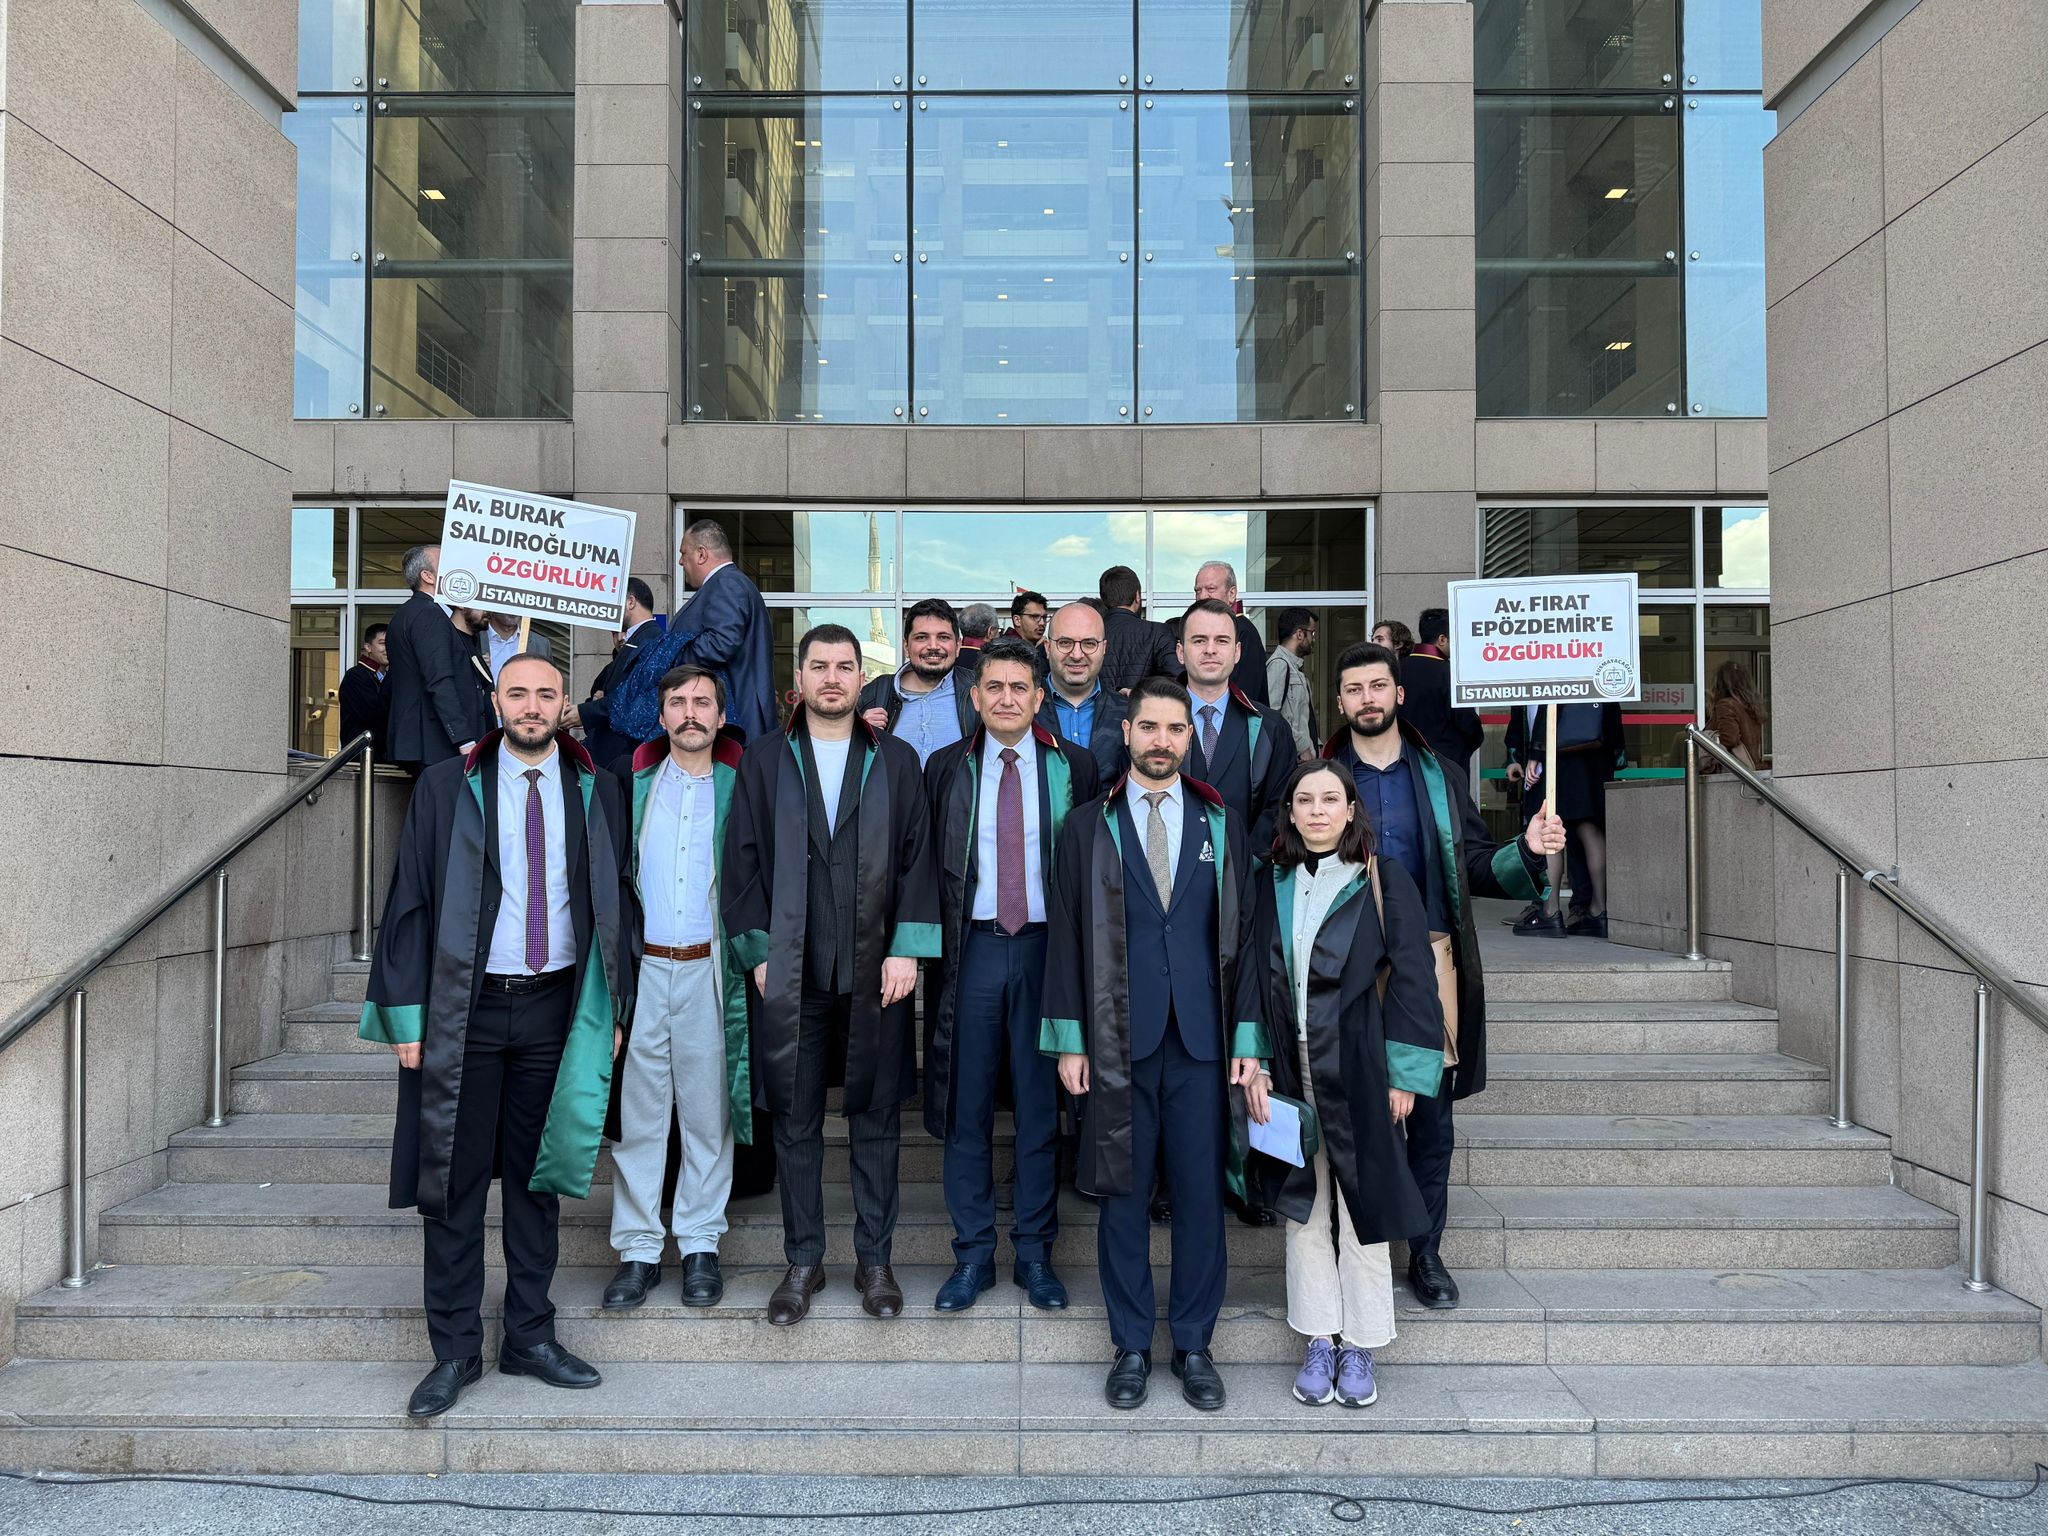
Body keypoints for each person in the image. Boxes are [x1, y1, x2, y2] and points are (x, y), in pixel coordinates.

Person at [357, 653, 635, 1418]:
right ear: (497, 703)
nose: (532, 705)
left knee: (538, 1181)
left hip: (557, 1008)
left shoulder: (597, 787)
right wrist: (406, 1013)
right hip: (464, 1010)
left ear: (565, 703)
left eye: (546, 693)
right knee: (451, 1184)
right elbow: (410, 897)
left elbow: (618, 902)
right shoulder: (448, 786)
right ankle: (453, 1350)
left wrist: (613, 1009)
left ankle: (529, 1336)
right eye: (518, 693)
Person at [1040, 676, 1269, 1412]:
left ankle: (1195, 1344)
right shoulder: (1087, 825)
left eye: (1175, 729)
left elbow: (1247, 938)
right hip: (1116, 1041)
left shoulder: (1221, 821)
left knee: (1201, 1200)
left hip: (1203, 1045)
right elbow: (1066, 937)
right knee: (1123, 1198)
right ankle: (1132, 1345)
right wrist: (1070, 1040)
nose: (1162, 741)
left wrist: (1249, 1039)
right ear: (1128, 732)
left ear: (1188, 738)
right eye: (1149, 728)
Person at [1322, 642, 1564, 1311]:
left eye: (1378, 686)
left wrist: (1526, 850)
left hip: (1429, 963)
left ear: (1399, 695)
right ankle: (1357, 1249)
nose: (1367, 699)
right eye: (1354, 689)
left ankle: (1425, 1253)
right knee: (1357, 1113)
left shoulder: (1440, 775)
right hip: (1343, 966)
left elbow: (1478, 865)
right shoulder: (1321, 777)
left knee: (1431, 1117)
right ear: (1340, 702)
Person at [722, 624, 942, 1326]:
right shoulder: (765, 760)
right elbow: (741, 859)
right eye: (819, 666)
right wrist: (759, 952)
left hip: (877, 969)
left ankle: (875, 1261)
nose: (832, 678)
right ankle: (804, 1260)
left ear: (859, 677)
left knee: (876, 1119)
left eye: (845, 667)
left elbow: (917, 858)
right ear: (800, 678)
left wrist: (907, 948)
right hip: (793, 970)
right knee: (795, 1119)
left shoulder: (895, 760)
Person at [1238, 761, 1445, 1410]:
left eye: (1331, 799)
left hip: (1360, 1066)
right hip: (1289, 1066)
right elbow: (1250, 977)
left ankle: (1360, 1343)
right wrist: (1254, 1060)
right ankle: (1319, 1338)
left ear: (1351, 810)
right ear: (1290, 813)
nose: (1318, 810)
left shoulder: (1382, 880)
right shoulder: (1269, 883)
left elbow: (1414, 978)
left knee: (1363, 1207)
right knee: (1303, 1207)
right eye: (1305, 800)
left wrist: (1405, 1075)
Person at [923, 639, 1101, 1314]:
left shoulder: (1073, 765)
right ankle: (972, 1255)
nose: (1005, 698)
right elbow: (923, 864)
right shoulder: (946, 766)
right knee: (966, 1108)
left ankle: (1034, 1253)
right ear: (974, 697)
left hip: (1046, 953)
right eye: (993, 687)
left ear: (1038, 696)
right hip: (971, 950)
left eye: (1018, 687)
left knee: (1038, 1108)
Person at [601, 666, 753, 1313]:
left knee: (707, 1116)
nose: (691, 713)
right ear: (660, 714)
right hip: (646, 971)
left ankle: (699, 1244)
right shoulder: (628, 785)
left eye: (702, 702)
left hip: (710, 971)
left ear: (720, 715)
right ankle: (637, 1249)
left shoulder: (742, 787)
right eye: (678, 702)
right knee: (639, 1119)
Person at [1178, 598, 1297, 855]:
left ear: (1237, 652)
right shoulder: (1152, 726)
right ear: (1180, 651)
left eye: (1222, 641)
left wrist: (1242, 865)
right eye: (1199, 640)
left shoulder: (1270, 729)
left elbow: (1280, 807)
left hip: (1247, 871)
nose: (1210, 649)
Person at [1505, 701, 1625, 938]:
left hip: (1559, 754)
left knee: (1550, 825)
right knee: (1589, 828)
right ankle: (1599, 911)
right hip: (1593, 752)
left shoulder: (1551, 677)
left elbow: (1550, 708)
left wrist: (1535, 754)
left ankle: (1549, 912)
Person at [385, 544, 490, 775]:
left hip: (427, 741)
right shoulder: (428, 613)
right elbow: (439, 679)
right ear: (428, 576)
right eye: (448, 563)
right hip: (435, 743)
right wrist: (464, 739)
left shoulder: (412, 612)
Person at [672, 520, 777, 741]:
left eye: (683, 553)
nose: (680, 561)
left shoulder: (726, 583)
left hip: (734, 724)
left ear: (701, 554)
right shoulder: (732, 583)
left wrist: (669, 654)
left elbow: (721, 643)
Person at [857, 598, 978, 763]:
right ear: (906, 646)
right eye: (922, 637)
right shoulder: (874, 694)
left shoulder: (979, 691)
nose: (933, 646)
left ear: (958, 646)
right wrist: (859, 734)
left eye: (943, 637)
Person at [568, 578, 663, 768]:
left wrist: (585, 712)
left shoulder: (651, 641)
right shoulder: (635, 642)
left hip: (626, 757)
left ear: (630, 602)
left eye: (612, 603)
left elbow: (633, 699)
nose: (608, 611)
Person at [1035, 601, 1128, 781]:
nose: (1077, 655)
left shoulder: (1128, 711)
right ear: (1047, 647)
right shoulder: (1022, 709)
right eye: (1065, 643)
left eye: (1089, 643)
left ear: (1103, 648)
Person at [1397, 609, 1484, 780]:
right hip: (1446, 764)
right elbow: (1467, 721)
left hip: (1403, 761)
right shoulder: (1450, 672)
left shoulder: (1396, 669)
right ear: (1442, 639)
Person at [1192, 561, 1269, 706]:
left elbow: (1244, 694)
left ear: (1232, 594)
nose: (1202, 596)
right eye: (1198, 591)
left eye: (1211, 589)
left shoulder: (1243, 632)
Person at [1097, 565, 1179, 695]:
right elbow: (1176, 681)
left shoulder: (1091, 634)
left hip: (1098, 707)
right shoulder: (1158, 632)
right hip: (1143, 706)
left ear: (1104, 599)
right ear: (1137, 596)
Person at [1266, 607, 1320, 763]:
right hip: (1293, 759)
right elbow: (1273, 715)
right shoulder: (1279, 665)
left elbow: (1302, 718)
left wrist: (1316, 745)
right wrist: (1302, 748)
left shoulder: (1294, 667)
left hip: (1302, 758)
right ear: (1300, 634)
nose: (1314, 640)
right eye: (1312, 633)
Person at [338, 623, 390, 759]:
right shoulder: (355, 676)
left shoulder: (387, 676)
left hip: (380, 755)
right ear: (368, 647)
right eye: (382, 643)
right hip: (361, 757)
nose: (388, 648)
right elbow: (374, 714)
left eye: (391, 643)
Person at [1705, 660, 1766, 772]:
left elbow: (1729, 739)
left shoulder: (1726, 704)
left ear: (1721, 683)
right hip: (1749, 766)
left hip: (1732, 769)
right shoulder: (1750, 706)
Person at [480, 611, 553, 683]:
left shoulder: (540, 644)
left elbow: (548, 681)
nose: (513, 609)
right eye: (508, 604)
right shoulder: (476, 637)